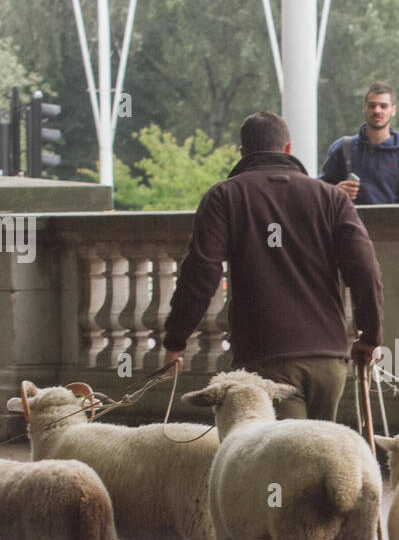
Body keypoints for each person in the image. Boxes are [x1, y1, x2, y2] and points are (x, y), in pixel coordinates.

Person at [161, 110, 383, 421]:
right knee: (319, 458)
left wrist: (175, 340)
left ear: (243, 152)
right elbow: (365, 269)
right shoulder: (332, 198)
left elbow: (201, 274)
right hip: (329, 358)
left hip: (266, 356)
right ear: (288, 149)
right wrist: (370, 335)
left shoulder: (224, 196)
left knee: (286, 465)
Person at [318, 82, 399, 205]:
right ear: (364, 108)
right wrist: (336, 191)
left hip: (390, 224)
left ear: (393, 110)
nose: (377, 110)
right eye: (372, 105)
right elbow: (318, 193)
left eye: (383, 106)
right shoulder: (343, 148)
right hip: (348, 223)